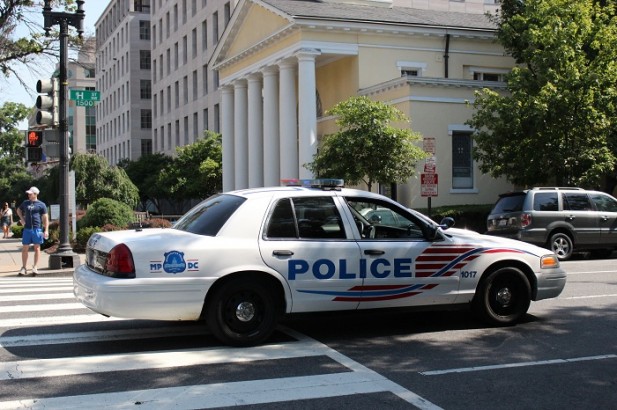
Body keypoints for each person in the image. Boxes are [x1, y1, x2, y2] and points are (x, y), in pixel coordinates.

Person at [16, 187, 49, 276]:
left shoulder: (41, 204)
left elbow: (45, 218)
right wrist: (22, 219)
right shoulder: (25, 203)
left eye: (30, 194)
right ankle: (24, 267)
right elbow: (18, 210)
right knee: (25, 248)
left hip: (37, 228)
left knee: (37, 248)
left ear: (35, 194)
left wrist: (46, 230)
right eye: (28, 194)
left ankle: (35, 267)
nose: (29, 195)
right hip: (27, 229)